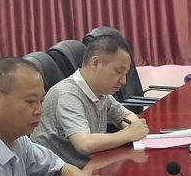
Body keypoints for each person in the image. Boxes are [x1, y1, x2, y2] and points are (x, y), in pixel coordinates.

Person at [34, 33, 150, 167]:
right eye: (119, 72)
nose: (123, 81)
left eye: (125, 74)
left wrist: (133, 126)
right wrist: (128, 134)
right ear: (96, 63)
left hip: (92, 166)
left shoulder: (101, 92)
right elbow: (85, 144)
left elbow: (126, 115)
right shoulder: (68, 94)